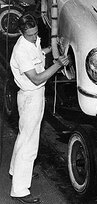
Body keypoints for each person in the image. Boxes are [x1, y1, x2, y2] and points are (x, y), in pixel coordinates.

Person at [9, 14, 69, 204]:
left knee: (23, 136)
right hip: (30, 97)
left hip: (34, 96)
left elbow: (36, 53)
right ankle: (19, 190)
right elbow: (36, 78)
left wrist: (49, 49)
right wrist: (58, 65)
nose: (34, 37)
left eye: (36, 33)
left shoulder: (30, 42)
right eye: (30, 35)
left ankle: (16, 172)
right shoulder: (20, 50)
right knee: (29, 143)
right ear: (21, 32)